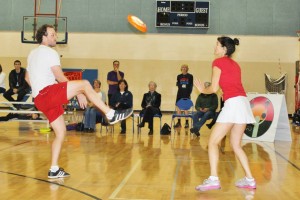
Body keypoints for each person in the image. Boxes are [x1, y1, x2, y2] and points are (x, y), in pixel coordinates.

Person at [25, 24, 132, 179]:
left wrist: (46, 91)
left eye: (55, 34)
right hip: (47, 93)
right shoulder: (50, 52)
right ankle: (110, 114)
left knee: (61, 132)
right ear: (44, 36)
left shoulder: (31, 54)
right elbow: (60, 77)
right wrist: (77, 93)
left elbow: (28, 78)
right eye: (53, 34)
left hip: (40, 99)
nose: (56, 37)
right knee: (85, 84)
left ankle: (54, 169)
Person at [194, 36, 256, 191]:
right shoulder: (236, 65)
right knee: (236, 145)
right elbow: (231, 84)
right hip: (243, 103)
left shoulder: (218, 62)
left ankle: (214, 179)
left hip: (233, 104)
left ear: (224, 49)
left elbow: (213, 88)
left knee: (213, 142)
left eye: (217, 45)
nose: (214, 47)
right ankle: (250, 179)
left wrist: (202, 90)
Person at [174, 64, 193, 128]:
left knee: (186, 108)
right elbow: (178, 84)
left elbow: (191, 86)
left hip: (186, 94)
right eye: (183, 67)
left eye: (185, 67)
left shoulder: (190, 76)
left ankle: (187, 123)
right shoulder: (179, 76)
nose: (184, 68)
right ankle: (179, 123)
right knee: (178, 107)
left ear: (187, 68)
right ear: (181, 68)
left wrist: (189, 94)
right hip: (179, 94)